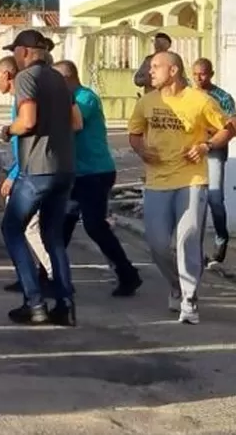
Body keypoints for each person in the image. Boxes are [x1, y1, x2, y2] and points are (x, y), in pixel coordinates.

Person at [128, 51, 233, 325]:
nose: (150, 72)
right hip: (156, 182)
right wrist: (142, 151)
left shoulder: (200, 100)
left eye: (155, 67)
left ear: (173, 70)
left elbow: (229, 127)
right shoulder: (147, 101)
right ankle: (176, 284)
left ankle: (189, 297)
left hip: (191, 181)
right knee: (157, 244)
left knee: (187, 239)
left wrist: (206, 146)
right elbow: (134, 134)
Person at [0, 30, 78, 326]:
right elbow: (75, 120)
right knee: (53, 236)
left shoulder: (25, 78)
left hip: (38, 169)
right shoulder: (59, 79)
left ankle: (34, 303)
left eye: (16, 51)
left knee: (12, 229)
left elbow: (27, 121)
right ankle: (65, 305)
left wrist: (9, 130)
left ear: (24, 51)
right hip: (65, 167)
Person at [54, 60, 142, 297]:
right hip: (75, 173)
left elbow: (72, 124)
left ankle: (127, 273)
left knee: (94, 226)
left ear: (67, 79)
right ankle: (47, 277)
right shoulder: (67, 99)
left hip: (95, 173)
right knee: (62, 228)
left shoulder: (85, 98)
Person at [191, 58, 236, 264]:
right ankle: (196, 250)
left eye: (202, 74)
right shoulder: (188, 95)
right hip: (192, 153)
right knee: (194, 202)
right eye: (195, 74)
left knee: (214, 199)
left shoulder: (222, 97)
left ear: (211, 74)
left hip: (214, 152)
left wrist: (213, 131)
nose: (198, 78)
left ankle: (221, 237)